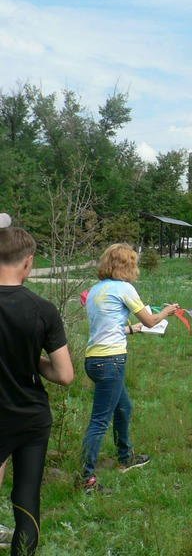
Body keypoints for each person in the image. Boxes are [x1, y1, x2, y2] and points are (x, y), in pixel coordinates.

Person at [80, 243, 179, 493]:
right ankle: (86, 477)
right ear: (127, 265)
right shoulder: (125, 288)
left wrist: (132, 329)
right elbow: (150, 319)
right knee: (100, 420)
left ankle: (126, 457)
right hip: (112, 361)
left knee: (124, 407)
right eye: (133, 263)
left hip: (94, 359)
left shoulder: (95, 291)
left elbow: (109, 326)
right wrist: (167, 311)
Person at [0, 226, 74, 554]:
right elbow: (65, 374)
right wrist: (34, 363)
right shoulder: (43, 310)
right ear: (28, 263)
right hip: (30, 417)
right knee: (27, 500)